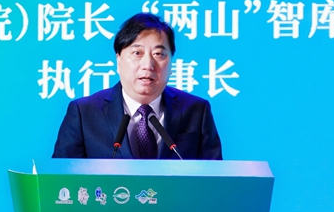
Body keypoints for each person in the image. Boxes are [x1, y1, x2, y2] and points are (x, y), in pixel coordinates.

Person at [52, 13, 222, 159]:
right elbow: (61, 179)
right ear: (118, 60)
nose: (148, 65)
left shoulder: (197, 111)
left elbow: (215, 179)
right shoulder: (84, 113)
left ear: (171, 62)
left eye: (159, 54)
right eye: (137, 53)